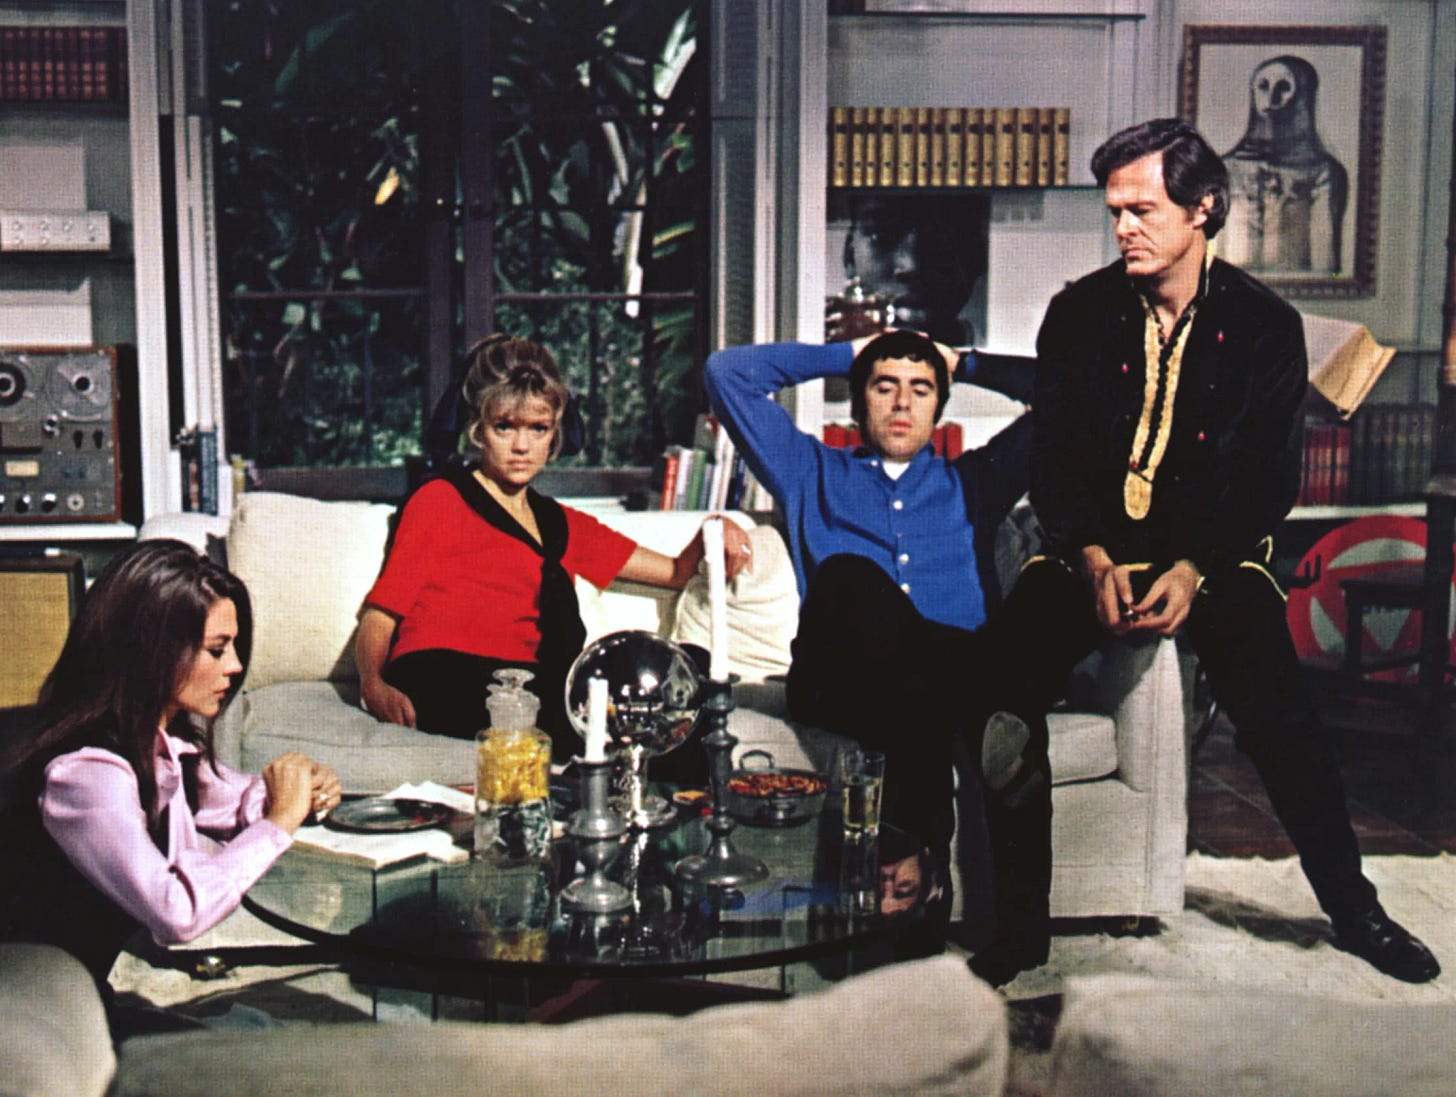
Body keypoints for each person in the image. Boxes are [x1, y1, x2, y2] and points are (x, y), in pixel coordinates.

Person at [990, 117, 1438, 985]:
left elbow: (1267, 481)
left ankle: (1356, 910)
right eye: (1115, 212)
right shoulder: (1077, 314)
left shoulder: (1266, 326)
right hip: (1092, 547)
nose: (1124, 228)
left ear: (1203, 208)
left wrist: (1194, 568)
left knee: (1281, 715)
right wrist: (1090, 555)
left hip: (1215, 554)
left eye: (1143, 210)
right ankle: (1019, 927)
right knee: (1002, 690)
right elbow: (1054, 462)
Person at [704, 328, 1036, 955]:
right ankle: (922, 896)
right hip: (842, 678)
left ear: (940, 408)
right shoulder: (808, 470)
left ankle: (912, 910)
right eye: (884, 387)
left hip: (928, 692)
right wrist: (848, 354)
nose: (902, 403)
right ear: (857, 404)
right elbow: (727, 373)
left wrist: (965, 363)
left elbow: (1071, 394)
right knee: (850, 577)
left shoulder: (974, 483)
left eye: (921, 389)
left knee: (918, 697)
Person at [0, 539, 343, 1036]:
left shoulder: (156, 741)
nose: (235, 667)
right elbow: (176, 913)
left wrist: (296, 790)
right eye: (216, 650)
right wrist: (277, 823)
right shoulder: (87, 774)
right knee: (249, 1059)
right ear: (153, 650)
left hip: (69, 996)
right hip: (25, 1019)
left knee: (264, 1041)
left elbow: (227, 799)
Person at [357, 334, 749, 762]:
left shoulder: (562, 523)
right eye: (505, 426)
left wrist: (715, 528)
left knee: (692, 670)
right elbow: (382, 612)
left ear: (554, 433)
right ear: (479, 429)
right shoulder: (439, 500)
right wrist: (373, 685)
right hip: (443, 675)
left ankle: (648, 790)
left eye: (537, 428)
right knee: (613, 715)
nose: (521, 446)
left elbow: (675, 572)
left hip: (533, 685)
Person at [1220, 55, 1348, 275]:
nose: (1271, 98)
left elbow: (1324, 266)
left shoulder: (1323, 171)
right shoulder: (1227, 168)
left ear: (1302, 97)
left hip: (1299, 289)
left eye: (1284, 87)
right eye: (1263, 86)